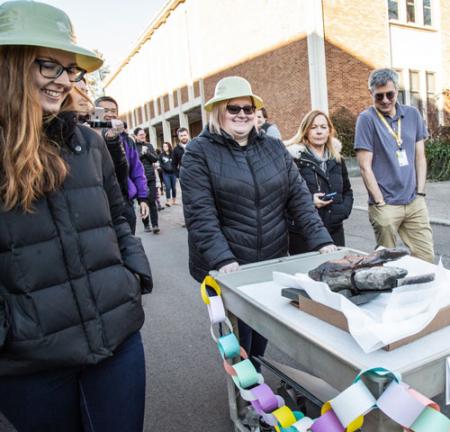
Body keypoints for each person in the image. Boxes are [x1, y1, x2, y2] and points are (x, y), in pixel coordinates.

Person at [0, 2, 153, 432]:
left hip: (117, 336)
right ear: (9, 64)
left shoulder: (87, 142)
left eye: (70, 69)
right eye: (49, 64)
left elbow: (118, 216)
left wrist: (134, 276)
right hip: (31, 362)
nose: (65, 80)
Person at [180, 76, 336, 370]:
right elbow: (200, 214)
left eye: (248, 109)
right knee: (238, 339)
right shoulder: (198, 152)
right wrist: (223, 258)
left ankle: (254, 378)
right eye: (233, 108)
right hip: (228, 264)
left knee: (260, 331)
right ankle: (242, 398)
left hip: (269, 260)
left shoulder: (274, 147)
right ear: (218, 111)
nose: (242, 114)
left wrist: (323, 241)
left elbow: (299, 198)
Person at [354, 68, 434, 262]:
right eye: (378, 96)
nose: (385, 100)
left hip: (414, 201)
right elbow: (365, 166)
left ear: (397, 90)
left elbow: (420, 157)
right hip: (386, 204)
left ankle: (421, 293)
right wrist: (380, 202)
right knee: (386, 263)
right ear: (371, 93)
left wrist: (421, 193)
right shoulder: (366, 119)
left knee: (426, 258)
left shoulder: (412, 114)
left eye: (389, 94)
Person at [285, 111, 354, 254]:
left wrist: (343, 211)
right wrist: (310, 201)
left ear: (329, 131)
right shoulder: (293, 159)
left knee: (336, 272)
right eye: (314, 127)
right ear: (305, 131)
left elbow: (347, 190)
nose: (319, 131)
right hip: (304, 232)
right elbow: (284, 195)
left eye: (323, 127)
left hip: (334, 230)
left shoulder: (337, 159)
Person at [95, 96, 149, 234]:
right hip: (98, 205)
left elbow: (137, 170)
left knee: (128, 245)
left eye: (114, 111)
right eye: (105, 110)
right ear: (96, 112)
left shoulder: (126, 140)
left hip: (125, 202)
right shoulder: (87, 138)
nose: (110, 114)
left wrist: (143, 198)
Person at [71, 80, 130, 201]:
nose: (109, 114)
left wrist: (112, 141)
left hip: (119, 200)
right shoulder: (78, 131)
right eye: (79, 91)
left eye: (86, 91)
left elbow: (121, 173)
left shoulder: (121, 136)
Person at [134, 127, 160, 233]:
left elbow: (155, 158)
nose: (143, 136)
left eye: (144, 134)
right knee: (143, 202)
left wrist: (147, 153)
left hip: (150, 177)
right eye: (140, 135)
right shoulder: (133, 146)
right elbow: (132, 161)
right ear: (135, 136)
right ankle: (146, 224)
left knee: (152, 201)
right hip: (139, 179)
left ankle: (155, 225)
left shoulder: (149, 145)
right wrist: (142, 154)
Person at [159, 142, 177, 206]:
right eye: (163, 146)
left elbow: (176, 162)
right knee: (168, 187)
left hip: (173, 173)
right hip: (166, 173)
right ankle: (168, 201)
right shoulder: (161, 155)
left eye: (166, 146)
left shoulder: (173, 154)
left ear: (169, 147)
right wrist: (165, 168)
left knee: (173, 187)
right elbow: (160, 163)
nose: (165, 148)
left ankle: (174, 200)